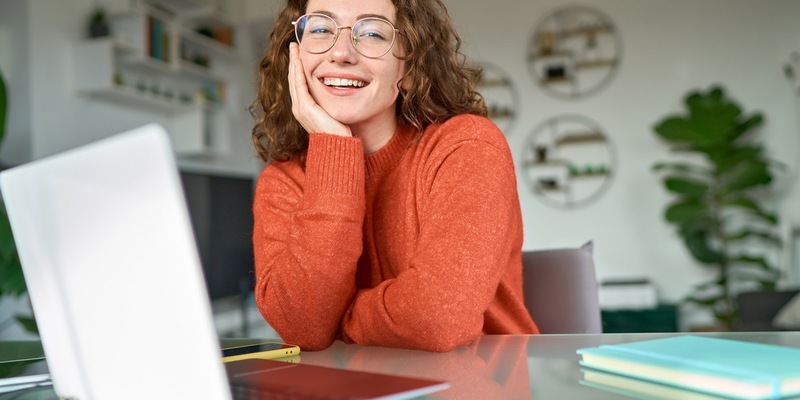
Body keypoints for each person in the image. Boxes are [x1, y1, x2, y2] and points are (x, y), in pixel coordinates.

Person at [250, 0, 539, 352]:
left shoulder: (468, 146)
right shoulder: (284, 180)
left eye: (371, 33)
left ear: (411, 65)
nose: (341, 53)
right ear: (294, 55)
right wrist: (334, 148)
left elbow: (436, 319)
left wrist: (340, 321)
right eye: (322, 29)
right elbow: (304, 327)